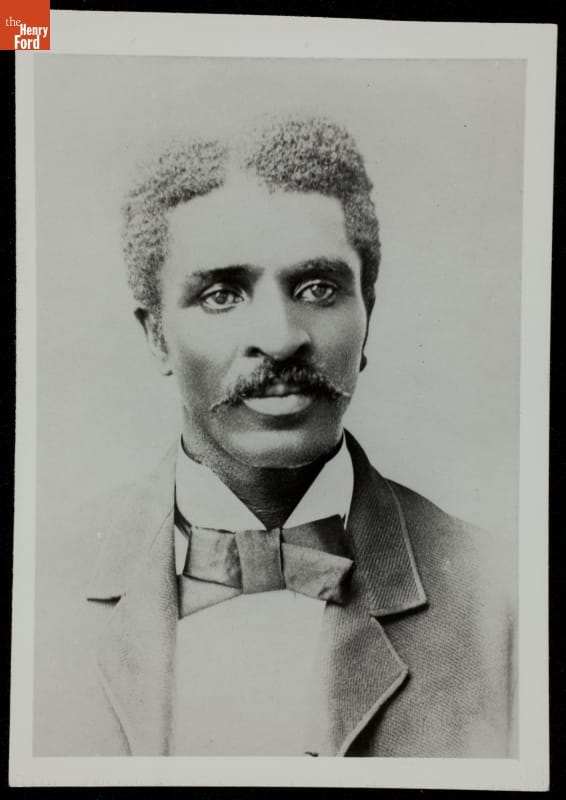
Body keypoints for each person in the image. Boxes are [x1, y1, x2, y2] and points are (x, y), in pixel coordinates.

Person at [33, 114, 516, 757]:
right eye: (221, 295)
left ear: (367, 313)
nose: (282, 337)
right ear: (156, 335)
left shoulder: (502, 597)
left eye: (318, 288)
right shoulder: (36, 591)